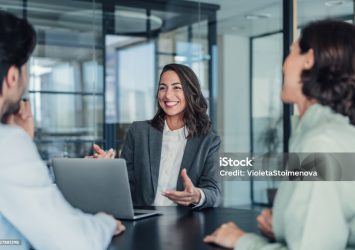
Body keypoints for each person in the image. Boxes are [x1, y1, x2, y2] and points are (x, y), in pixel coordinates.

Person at [204, 19, 355, 249]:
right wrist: (288, 228)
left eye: (291, 52)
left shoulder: (321, 143)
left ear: (309, 59)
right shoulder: (329, 134)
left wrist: (242, 241)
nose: (284, 64)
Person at [0, 11, 125, 250]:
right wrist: (105, 222)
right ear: (13, 77)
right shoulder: (7, 144)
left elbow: (23, 202)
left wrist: (23, 142)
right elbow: (75, 242)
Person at [92, 63, 221, 208]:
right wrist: (109, 168)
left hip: (185, 222)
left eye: (176, 87)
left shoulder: (208, 140)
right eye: (162, 87)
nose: (167, 95)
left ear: (191, 92)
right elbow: (125, 184)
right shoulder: (138, 131)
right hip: (143, 220)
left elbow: (214, 192)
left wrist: (197, 195)